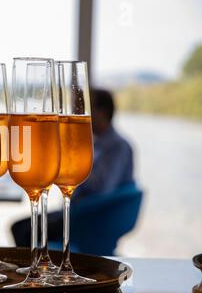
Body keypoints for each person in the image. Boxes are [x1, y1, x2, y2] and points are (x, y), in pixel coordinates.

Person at [11, 89, 135, 246]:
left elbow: (102, 186)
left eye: (84, 108)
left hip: (91, 218)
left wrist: (71, 170)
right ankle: (34, 265)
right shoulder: (94, 142)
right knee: (18, 227)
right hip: (77, 211)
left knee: (26, 231)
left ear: (102, 111)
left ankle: (38, 265)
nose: (78, 113)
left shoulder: (118, 146)